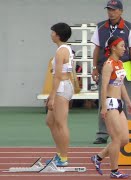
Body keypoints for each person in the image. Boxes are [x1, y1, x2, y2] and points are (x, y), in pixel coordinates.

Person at [91, 0, 131, 144]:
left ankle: (130, 130)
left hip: (122, 67)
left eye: (113, 10)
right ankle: (102, 133)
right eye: (109, 9)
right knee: (104, 99)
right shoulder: (100, 27)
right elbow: (96, 49)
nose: (111, 12)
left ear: (121, 11)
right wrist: (94, 67)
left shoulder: (129, 27)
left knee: (126, 99)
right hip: (105, 68)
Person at [90, 36, 131, 178]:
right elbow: (103, 87)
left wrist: (128, 102)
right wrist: (103, 107)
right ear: (113, 47)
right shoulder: (108, 65)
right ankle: (114, 171)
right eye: (122, 46)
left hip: (119, 104)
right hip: (110, 103)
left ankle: (99, 156)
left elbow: (121, 85)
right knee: (116, 139)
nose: (124, 48)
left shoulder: (120, 63)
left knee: (125, 139)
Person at [46, 22, 73, 167]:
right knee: (50, 122)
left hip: (61, 88)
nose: (51, 34)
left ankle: (63, 157)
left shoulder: (60, 51)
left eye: (52, 32)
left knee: (61, 124)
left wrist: (51, 96)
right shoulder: (66, 49)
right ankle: (59, 154)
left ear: (58, 35)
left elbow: (57, 76)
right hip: (64, 86)